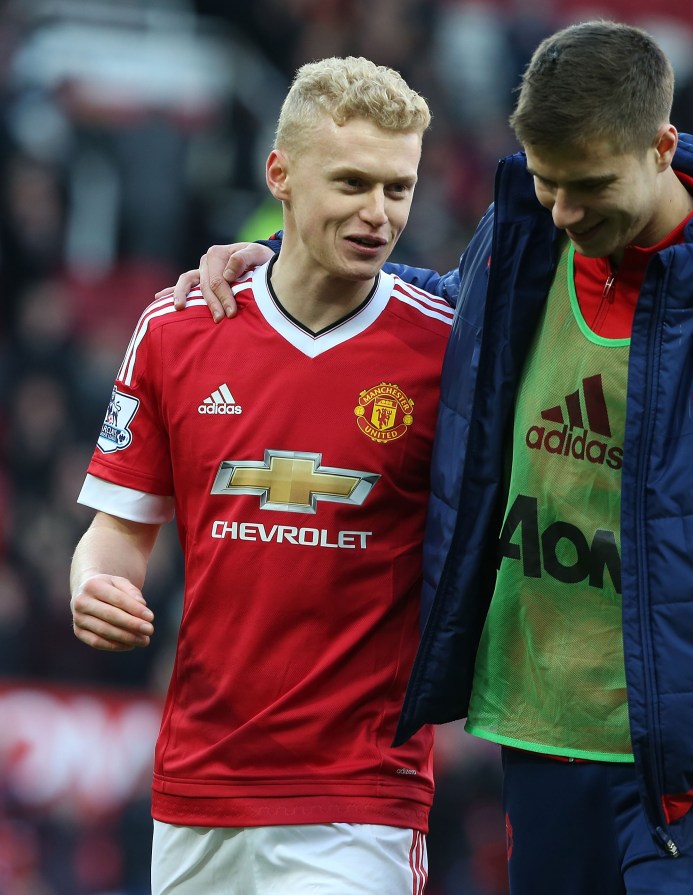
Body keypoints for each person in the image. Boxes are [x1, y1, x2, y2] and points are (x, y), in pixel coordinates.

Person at [169, 21, 693, 895]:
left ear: (663, 147)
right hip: (541, 740)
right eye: (546, 183)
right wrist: (288, 262)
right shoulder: (527, 249)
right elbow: (446, 316)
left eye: (589, 186)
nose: (565, 212)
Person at [70, 56, 452, 894]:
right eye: (352, 182)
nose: (378, 214)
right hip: (200, 782)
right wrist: (96, 584)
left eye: (399, 188)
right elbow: (116, 533)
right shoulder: (176, 329)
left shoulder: (447, 346)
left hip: (360, 795)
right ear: (280, 174)